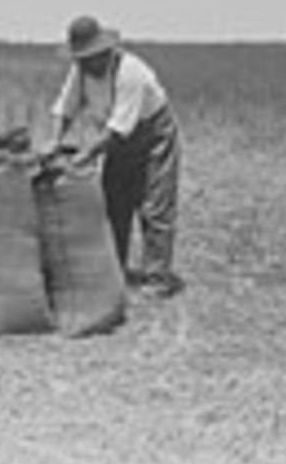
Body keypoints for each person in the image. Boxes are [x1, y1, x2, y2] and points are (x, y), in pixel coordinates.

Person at [47, 15, 184, 299]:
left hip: (152, 135)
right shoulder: (81, 70)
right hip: (116, 138)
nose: (84, 63)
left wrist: (86, 155)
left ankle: (157, 277)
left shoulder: (130, 73)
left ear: (104, 52)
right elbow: (66, 107)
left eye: (89, 57)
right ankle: (113, 268)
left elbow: (118, 130)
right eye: (80, 58)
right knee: (113, 202)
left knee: (154, 205)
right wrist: (55, 141)